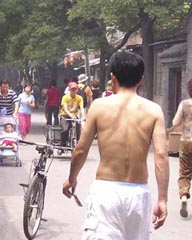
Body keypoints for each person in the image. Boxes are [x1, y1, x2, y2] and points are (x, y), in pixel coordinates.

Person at [62, 51, 169, 240]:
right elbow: (161, 155)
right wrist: (162, 199)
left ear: (113, 77)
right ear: (141, 79)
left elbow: (81, 150)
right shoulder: (154, 111)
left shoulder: (99, 106)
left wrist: (72, 178)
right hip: (139, 195)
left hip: (106, 192)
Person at [172, 78, 192, 218]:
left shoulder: (184, 104)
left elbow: (175, 122)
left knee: (184, 173)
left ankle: (184, 196)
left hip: (186, 141)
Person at [58, 82, 85, 155]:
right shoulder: (65, 97)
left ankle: (79, 146)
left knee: (78, 129)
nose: (73, 91)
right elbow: (65, 109)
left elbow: (82, 108)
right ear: (69, 90)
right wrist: (70, 115)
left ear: (77, 90)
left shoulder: (79, 98)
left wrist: (83, 116)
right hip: (65, 116)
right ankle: (61, 147)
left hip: (74, 117)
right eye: (72, 89)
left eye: (75, 89)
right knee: (65, 129)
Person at [0, 80, 19, 147]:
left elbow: (16, 103)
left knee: (9, 130)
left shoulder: (12, 93)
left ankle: (10, 142)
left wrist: (15, 113)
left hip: (9, 116)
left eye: (6, 87)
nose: (5, 89)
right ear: (0, 86)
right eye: (3, 87)